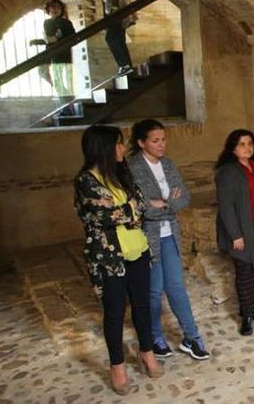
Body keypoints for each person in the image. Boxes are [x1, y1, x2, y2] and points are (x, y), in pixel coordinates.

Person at [74, 125, 163, 395]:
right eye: (118, 144)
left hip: (137, 249)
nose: (122, 149)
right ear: (104, 147)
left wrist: (128, 210)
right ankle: (117, 366)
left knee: (142, 306)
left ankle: (146, 352)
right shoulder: (86, 181)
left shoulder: (122, 174)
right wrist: (130, 210)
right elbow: (105, 216)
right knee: (114, 313)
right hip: (109, 258)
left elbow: (138, 206)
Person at [127, 119, 209, 361]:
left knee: (176, 288)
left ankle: (192, 337)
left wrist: (164, 204)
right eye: (155, 140)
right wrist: (165, 204)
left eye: (163, 139)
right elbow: (140, 208)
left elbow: (184, 198)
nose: (161, 145)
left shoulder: (169, 164)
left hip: (169, 234)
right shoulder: (132, 168)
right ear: (142, 143)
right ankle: (155, 337)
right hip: (147, 238)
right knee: (153, 292)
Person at [214, 129, 254, 336]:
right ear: (232, 148)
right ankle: (247, 317)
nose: (247, 147)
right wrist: (236, 235)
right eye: (242, 144)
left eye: (250, 143)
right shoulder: (227, 172)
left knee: (251, 269)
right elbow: (226, 207)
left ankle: (247, 307)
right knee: (244, 272)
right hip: (241, 232)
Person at [30, 0, 76, 96]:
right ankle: (66, 103)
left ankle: (68, 105)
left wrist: (44, 40)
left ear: (61, 9)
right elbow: (50, 38)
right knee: (43, 72)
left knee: (61, 81)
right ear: (48, 9)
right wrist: (44, 41)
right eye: (53, 7)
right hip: (50, 51)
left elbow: (68, 37)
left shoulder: (66, 23)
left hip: (62, 53)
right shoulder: (47, 22)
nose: (55, 9)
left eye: (58, 7)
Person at [102, 0, 136, 77]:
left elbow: (116, 3)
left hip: (116, 18)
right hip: (114, 18)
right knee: (116, 40)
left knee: (112, 39)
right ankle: (125, 65)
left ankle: (125, 65)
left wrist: (112, 13)